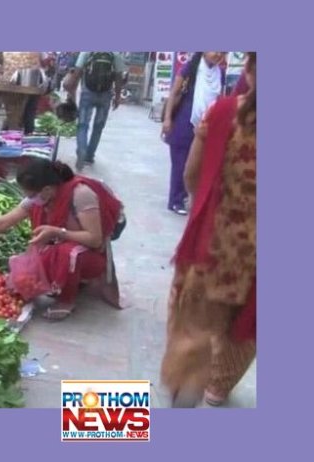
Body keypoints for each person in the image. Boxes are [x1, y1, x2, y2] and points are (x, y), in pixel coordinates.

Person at [160, 52, 256, 408]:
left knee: (193, 330)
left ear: (247, 69)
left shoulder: (224, 113)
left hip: (215, 244)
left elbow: (192, 176)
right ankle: (218, 388)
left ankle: (186, 391)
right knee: (245, 326)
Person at [0, 158, 123, 319]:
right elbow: (4, 222)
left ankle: (67, 300)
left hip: (91, 251)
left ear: (46, 189)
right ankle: (70, 280)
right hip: (63, 241)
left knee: (67, 252)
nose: (30, 199)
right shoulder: (40, 198)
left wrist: (57, 231)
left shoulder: (81, 194)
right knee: (33, 262)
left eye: (31, 194)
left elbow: (95, 239)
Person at [161, 52, 226, 215]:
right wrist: (167, 119)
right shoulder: (190, 68)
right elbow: (174, 93)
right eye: (214, 50)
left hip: (207, 126)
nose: (218, 54)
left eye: (222, 51)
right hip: (184, 122)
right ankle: (176, 200)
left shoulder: (220, 74)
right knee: (180, 164)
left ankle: (191, 198)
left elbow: (220, 99)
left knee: (200, 164)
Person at [66, 52, 127, 171]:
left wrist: (71, 92)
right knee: (98, 127)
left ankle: (81, 150)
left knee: (83, 125)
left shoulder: (87, 52)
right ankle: (89, 156)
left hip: (87, 93)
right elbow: (119, 76)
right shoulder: (114, 54)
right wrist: (118, 96)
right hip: (105, 95)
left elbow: (77, 73)